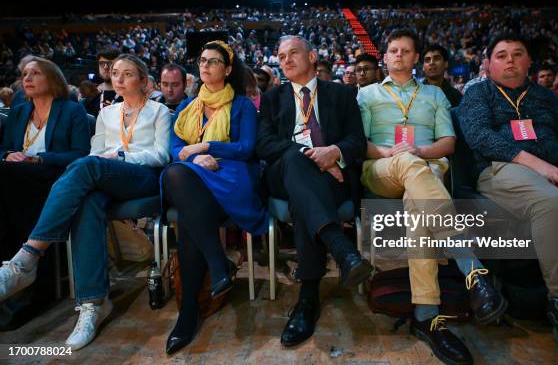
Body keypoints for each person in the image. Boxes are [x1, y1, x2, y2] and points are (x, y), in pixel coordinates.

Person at [458, 33, 558, 365]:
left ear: (530, 62)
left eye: (517, 54)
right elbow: (480, 137)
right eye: (501, 55)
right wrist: (538, 165)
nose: (510, 60)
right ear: (488, 64)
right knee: (551, 203)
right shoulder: (478, 94)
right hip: (502, 170)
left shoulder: (545, 96)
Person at [0, 54, 171, 350]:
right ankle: (93, 303)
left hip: (143, 177)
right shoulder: (106, 114)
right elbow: (93, 152)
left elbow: (161, 155)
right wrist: (103, 161)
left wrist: (120, 157)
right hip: (104, 177)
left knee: (87, 167)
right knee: (88, 198)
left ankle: (27, 257)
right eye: (115, 73)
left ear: (144, 81)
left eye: (127, 74)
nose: (118, 78)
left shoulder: (159, 111)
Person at [358, 29, 506, 365]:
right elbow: (360, 142)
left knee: (418, 207)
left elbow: (448, 144)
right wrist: (392, 153)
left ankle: (428, 316)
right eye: (393, 50)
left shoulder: (435, 95)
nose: (398, 55)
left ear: (415, 58)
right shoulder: (366, 94)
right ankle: (471, 267)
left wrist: (419, 150)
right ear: (384, 57)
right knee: (410, 166)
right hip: (382, 168)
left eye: (406, 51)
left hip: (426, 169)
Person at [256, 35, 371, 347]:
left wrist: (333, 151)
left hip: (330, 179)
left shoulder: (342, 93)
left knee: (303, 203)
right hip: (286, 172)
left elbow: (357, 141)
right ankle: (341, 248)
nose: (286, 60)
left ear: (312, 55)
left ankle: (308, 299)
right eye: (280, 56)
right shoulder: (272, 97)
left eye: (293, 53)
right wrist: (313, 156)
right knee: (295, 159)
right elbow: (264, 144)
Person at [161, 41, 267, 354]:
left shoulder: (243, 105)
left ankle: (188, 314)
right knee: (174, 173)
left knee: (187, 214)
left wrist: (207, 147)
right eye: (202, 60)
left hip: (232, 175)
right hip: (194, 176)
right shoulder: (187, 105)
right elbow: (173, 148)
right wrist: (193, 159)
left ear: (228, 69)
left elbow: (247, 148)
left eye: (214, 61)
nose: (205, 66)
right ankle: (216, 266)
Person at [0, 56, 90, 273]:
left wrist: (40, 158)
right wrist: (9, 154)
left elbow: (81, 154)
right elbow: (4, 149)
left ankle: (24, 270)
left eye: (35, 73)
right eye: (24, 75)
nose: (27, 78)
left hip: (54, 177)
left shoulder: (71, 110)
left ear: (53, 79)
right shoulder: (19, 111)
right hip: (15, 175)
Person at [80, 48, 122, 117]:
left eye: (110, 63)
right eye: (101, 63)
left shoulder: (128, 96)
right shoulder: (90, 97)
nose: (105, 67)